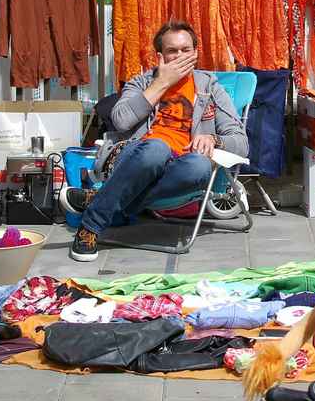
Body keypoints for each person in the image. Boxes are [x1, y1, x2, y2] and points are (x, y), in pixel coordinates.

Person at [67, 20, 248, 262]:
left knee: (199, 165)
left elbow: (240, 141)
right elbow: (120, 120)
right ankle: (91, 227)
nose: (180, 56)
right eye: (173, 51)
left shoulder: (210, 87)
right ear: (160, 56)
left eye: (186, 50)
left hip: (182, 164)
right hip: (136, 159)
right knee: (156, 149)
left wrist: (213, 139)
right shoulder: (142, 83)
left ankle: (99, 202)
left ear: (196, 53)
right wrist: (162, 83)